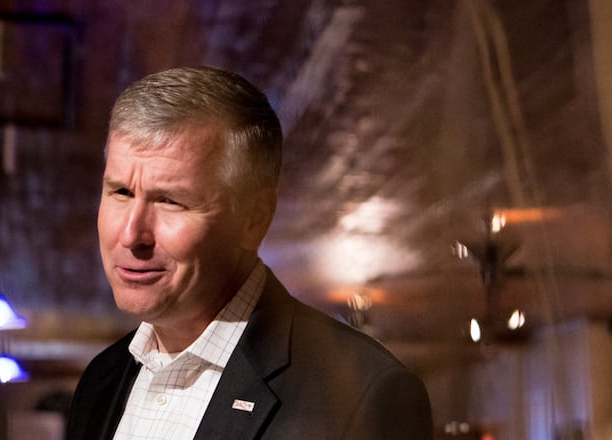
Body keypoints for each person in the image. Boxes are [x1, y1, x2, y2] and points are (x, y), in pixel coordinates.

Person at [64, 66, 434, 440]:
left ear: (254, 218)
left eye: (170, 201)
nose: (131, 235)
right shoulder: (102, 381)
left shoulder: (363, 394)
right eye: (120, 193)